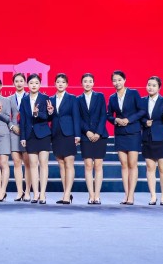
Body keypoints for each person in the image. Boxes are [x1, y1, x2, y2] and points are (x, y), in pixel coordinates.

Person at [107, 70, 145, 205]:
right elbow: (108, 115)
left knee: (132, 164)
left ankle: (131, 196)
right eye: (114, 80)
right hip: (120, 133)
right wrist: (115, 119)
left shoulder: (133, 93)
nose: (117, 83)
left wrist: (129, 120)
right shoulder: (112, 97)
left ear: (124, 80)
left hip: (133, 132)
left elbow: (142, 111)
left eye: (119, 80)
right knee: (124, 164)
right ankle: (126, 194)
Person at [140, 76, 163, 206]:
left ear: (159, 87)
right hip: (147, 137)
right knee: (150, 167)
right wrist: (145, 122)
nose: (151, 87)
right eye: (149, 85)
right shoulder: (141, 101)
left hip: (162, 138)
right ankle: (153, 196)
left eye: (154, 85)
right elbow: (139, 118)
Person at [48, 73, 80, 205]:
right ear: (54, 84)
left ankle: (67, 194)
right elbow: (48, 118)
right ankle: (65, 193)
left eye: (63, 82)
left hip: (69, 134)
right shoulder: (50, 99)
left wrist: (77, 135)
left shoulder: (72, 98)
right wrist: (50, 112)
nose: (60, 84)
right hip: (56, 134)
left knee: (69, 163)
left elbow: (76, 117)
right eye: (58, 82)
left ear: (67, 84)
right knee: (61, 164)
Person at [19, 73, 51, 204]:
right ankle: (36, 193)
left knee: (43, 163)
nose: (34, 85)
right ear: (28, 84)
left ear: (40, 84)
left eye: (36, 83)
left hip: (43, 134)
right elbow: (23, 120)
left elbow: (48, 117)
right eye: (31, 83)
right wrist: (23, 137)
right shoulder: (24, 100)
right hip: (30, 135)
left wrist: (38, 114)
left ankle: (43, 194)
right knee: (32, 164)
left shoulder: (45, 98)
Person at [77, 73, 108, 204]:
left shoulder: (100, 96)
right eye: (85, 81)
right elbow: (78, 118)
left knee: (98, 165)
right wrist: (87, 132)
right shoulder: (78, 99)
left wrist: (98, 133)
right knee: (88, 165)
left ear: (93, 83)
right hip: (85, 136)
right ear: (81, 83)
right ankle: (91, 195)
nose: (88, 83)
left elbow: (103, 115)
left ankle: (97, 195)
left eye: (90, 81)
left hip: (100, 135)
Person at [8, 73, 31, 201]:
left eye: (21, 81)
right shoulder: (9, 99)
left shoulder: (30, 97)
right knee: (16, 162)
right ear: (13, 83)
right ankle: (19, 191)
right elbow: (6, 117)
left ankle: (27, 191)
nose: (19, 83)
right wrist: (12, 126)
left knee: (27, 163)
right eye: (16, 81)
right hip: (14, 133)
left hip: (26, 133)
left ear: (25, 83)